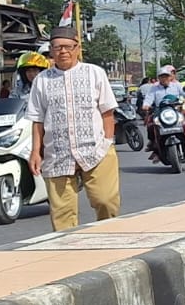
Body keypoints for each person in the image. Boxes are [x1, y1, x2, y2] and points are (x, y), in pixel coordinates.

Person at [25, 26, 121, 231]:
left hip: (96, 149)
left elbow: (107, 113)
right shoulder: (41, 81)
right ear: (51, 50)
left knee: (106, 201)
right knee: (62, 217)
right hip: (58, 153)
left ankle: (109, 241)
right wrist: (35, 151)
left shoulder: (95, 73)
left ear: (77, 48)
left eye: (68, 46)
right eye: (57, 47)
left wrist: (108, 142)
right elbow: (37, 120)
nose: (63, 51)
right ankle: (69, 256)